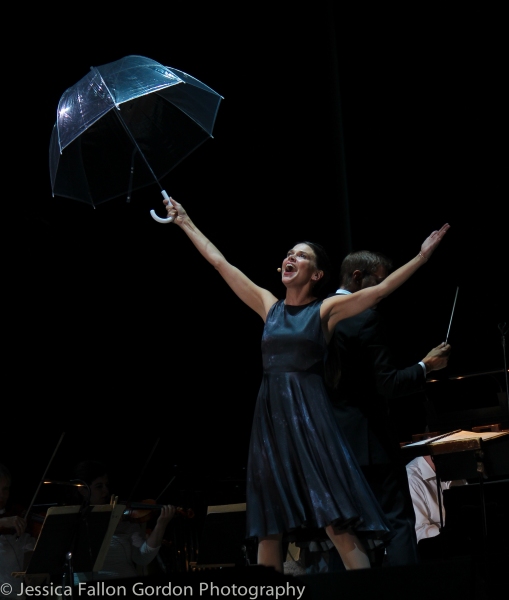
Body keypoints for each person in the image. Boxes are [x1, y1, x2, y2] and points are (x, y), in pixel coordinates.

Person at [162, 195, 450, 572]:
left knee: (337, 524)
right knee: (269, 527)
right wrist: (184, 221)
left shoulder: (325, 311)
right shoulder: (269, 306)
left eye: (301, 255)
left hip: (311, 423)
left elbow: (377, 292)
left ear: (317, 274)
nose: (290, 258)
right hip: (270, 424)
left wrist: (422, 256)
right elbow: (220, 263)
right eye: (288, 253)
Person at [324, 250, 452, 568]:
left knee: (343, 532)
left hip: (327, 444)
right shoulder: (364, 317)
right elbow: (388, 385)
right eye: (379, 282)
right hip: (370, 443)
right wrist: (427, 365)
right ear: (357, 278)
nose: (383, 291)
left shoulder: (314, 315)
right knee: (397, 523)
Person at [66, 460, 176, 583]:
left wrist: (161, 525)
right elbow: (75, 559)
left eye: (106, 485)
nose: (106, 491)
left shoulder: (123, 518)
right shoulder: (72, 520)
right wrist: (107, 528)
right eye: (99, 486)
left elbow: (142, 558)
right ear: (83, 490)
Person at [405, 454, 467, 559]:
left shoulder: (455, 469)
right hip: (429, 557)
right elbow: (418, 532)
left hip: (458, 546)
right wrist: (453, 534)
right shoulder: (412, 478)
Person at [0, 464, 37, 598]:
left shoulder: (17, 513)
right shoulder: (7, 521)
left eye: (5, 489)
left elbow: (27, 545)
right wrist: (3, 522)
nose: (1, 495)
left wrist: (30, 567)